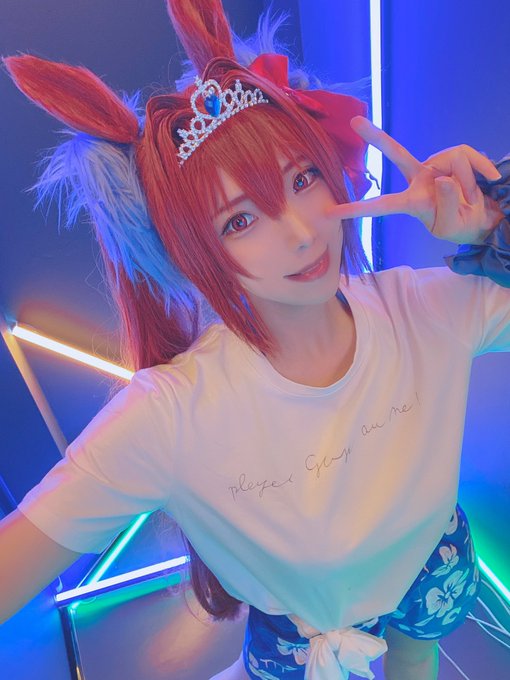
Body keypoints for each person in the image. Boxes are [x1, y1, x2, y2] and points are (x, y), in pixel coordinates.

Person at [1, 1, 508, 679]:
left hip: (433, 564)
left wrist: (496, 224)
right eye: (240, 220)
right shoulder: (171, 416)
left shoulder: (424, 309)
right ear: (194, 254)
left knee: (419, 662)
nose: (300, 232)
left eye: (302, 178)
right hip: (309, 635)